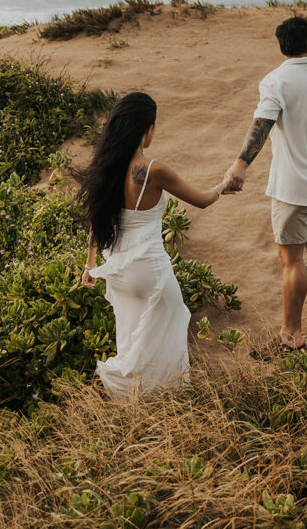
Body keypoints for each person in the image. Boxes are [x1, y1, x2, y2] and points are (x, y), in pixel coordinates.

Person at [79, 92, 227, 398]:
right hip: (150, 273)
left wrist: (89, 265)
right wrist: (224, 185)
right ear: (146, 129)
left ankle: (136, 404)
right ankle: (168, 400)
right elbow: (201, 200)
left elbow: (97, 216)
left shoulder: (106, 167)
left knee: (133, 341)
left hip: (119, 273)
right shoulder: (151, 169)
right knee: (169, 334)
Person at [225, 16, 307, 355]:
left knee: (291, 260)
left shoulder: (276, 81)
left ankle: (290, 334)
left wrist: (240, 165)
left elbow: (262, 125)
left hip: (294, 188)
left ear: (283, 47)